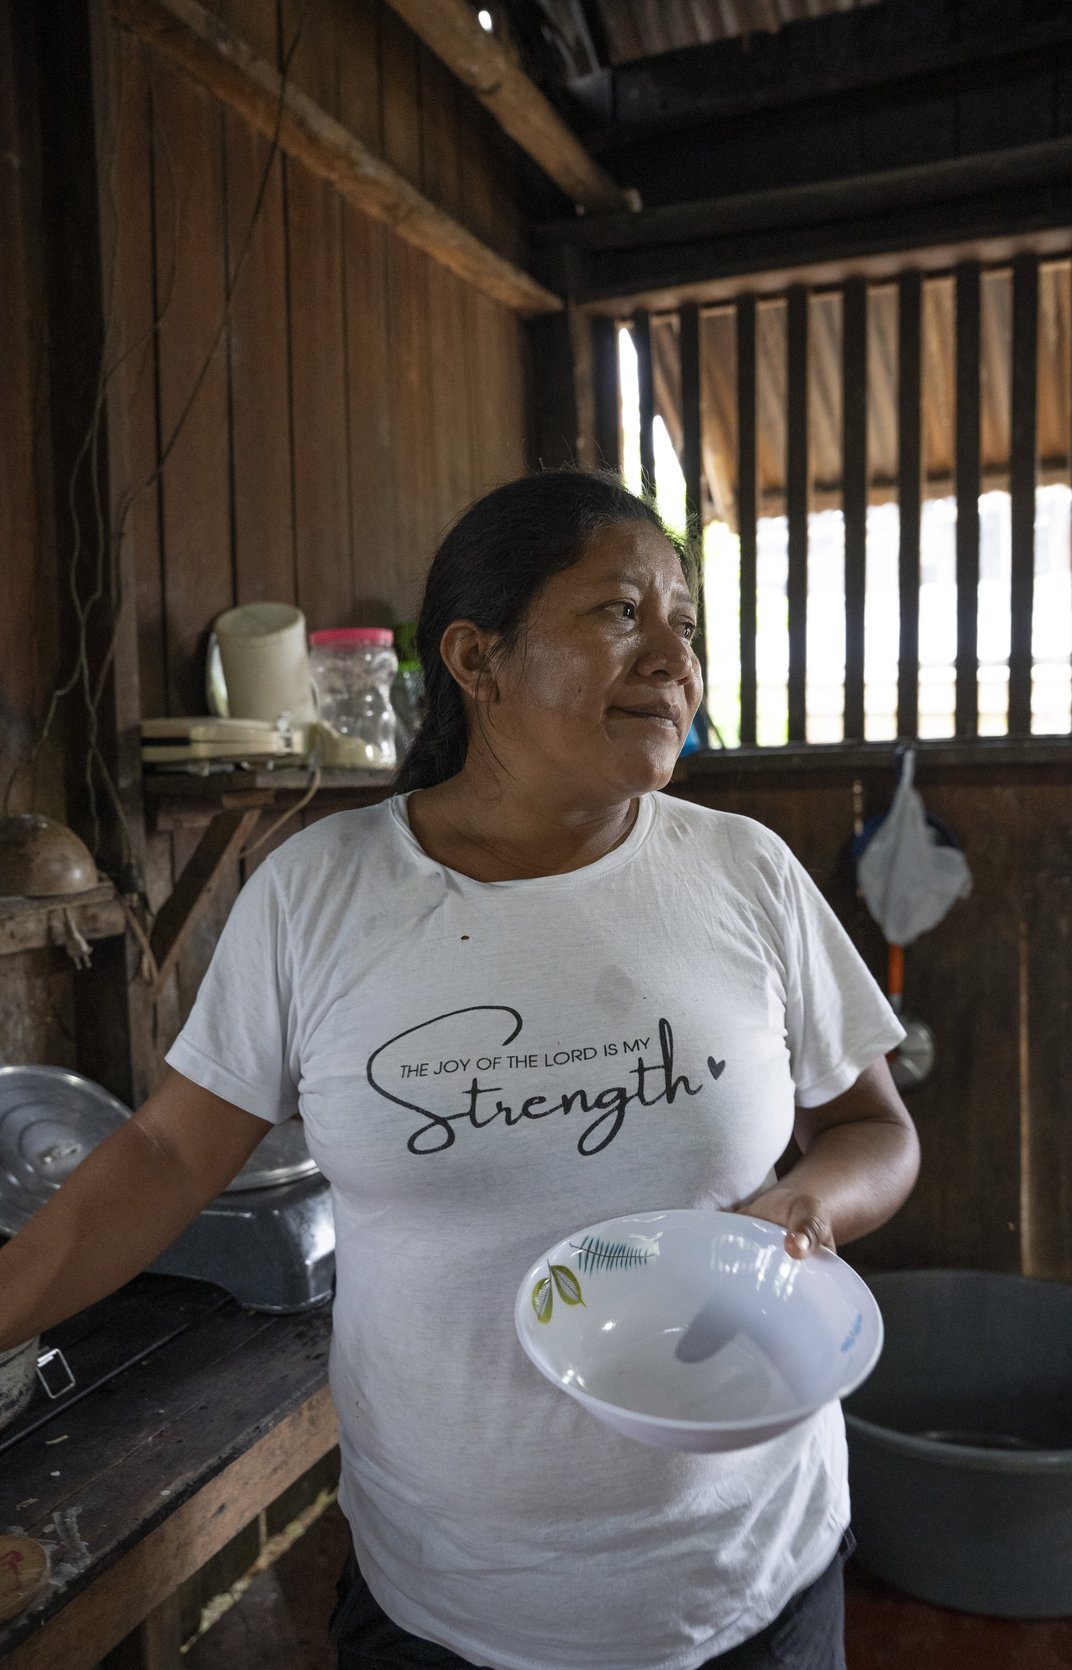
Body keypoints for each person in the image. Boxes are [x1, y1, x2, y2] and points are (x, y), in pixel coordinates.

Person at [0, 469, 919, 1670]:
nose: (673, 657)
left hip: (750, 1574)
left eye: (684, 622)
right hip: (450, 1595)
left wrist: (807, 1200)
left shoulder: (743, 870)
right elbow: (170, 1151)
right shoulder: (321, 892)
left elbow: (871, 1127)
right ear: (477, 658)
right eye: (619, 611)